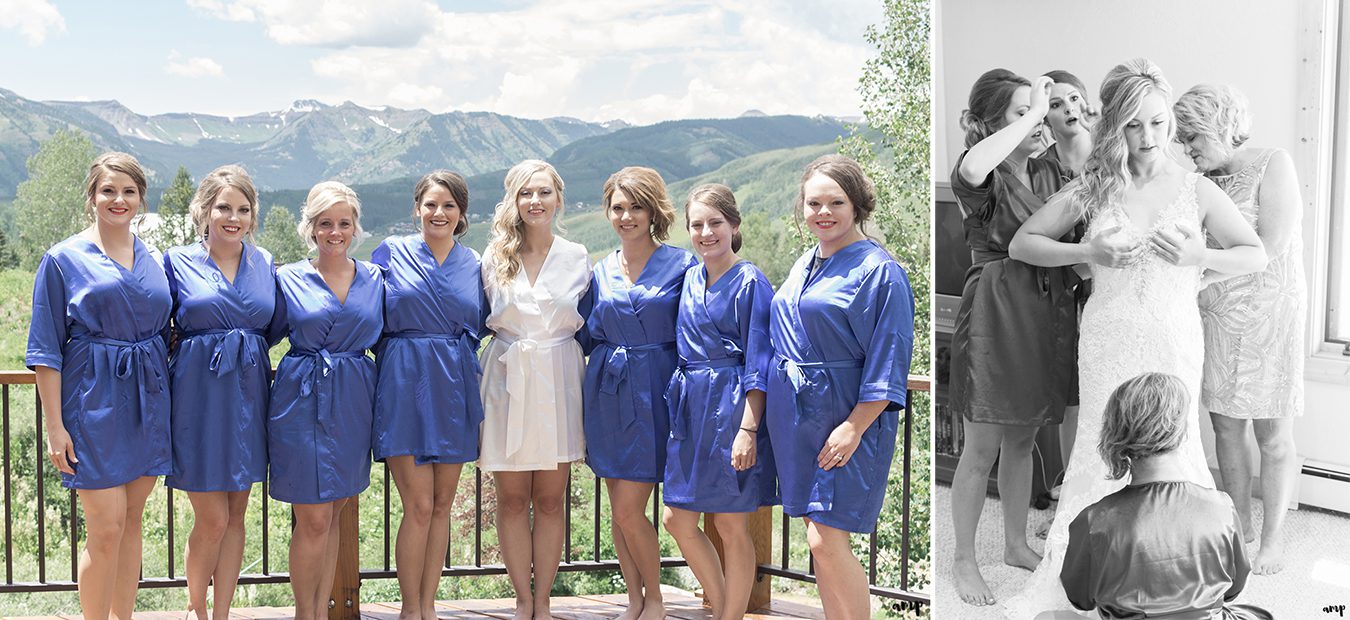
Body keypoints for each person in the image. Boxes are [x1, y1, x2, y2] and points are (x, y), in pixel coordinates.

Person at [1004, 58, 1267, 619]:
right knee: (1100, 445)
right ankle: (1096, 562)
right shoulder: (1094, 188)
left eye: (1158, 123)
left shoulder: (1195, 190)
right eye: (1134, 125)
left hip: (1174, 336)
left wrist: (1200, 260)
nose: (1149, 138)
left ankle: (1179, 560)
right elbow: (1022, 244)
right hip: (1108, 336)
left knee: (1176, 445)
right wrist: (1088, 252)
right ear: (1115, 126)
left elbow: (1256, 254)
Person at [946, 69, 1076, 607]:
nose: (1040, 116)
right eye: (1025, 110)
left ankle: (1016, 543)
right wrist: (1033, 112)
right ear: (997, 123)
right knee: (982, 447)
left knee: (1024, 437)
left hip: (1045, 306)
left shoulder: (1050, 169)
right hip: (995, 309)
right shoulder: (979, 174)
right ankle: (962, 561)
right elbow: (976, 162)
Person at [766, 154, 913, 620]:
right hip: (798, 419)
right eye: (814, 203)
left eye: (836, 202)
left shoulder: (880, 272)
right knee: (817, 537)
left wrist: (854, 427)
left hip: (847, 417)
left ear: (857, 206)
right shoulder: (805, 261)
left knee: (825, 538)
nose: (823, 212)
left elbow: (889, 357)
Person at [27, 152, 171, 620]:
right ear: (92, 197)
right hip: (91, 403)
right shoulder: (62, 259)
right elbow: (46, 350)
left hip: (148, 400)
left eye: (129, 191)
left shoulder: (153, 259)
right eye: (108, 190)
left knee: (130, 527)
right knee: (105, 529)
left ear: (140, 200)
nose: (118, 199)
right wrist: (55, 427)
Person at [1175, 84, 1306, 576]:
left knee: (1273, 432)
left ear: (1218, 127)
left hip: (1273, 314)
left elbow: (1269, 247)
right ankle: (1238, 528)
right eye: (1183, 141)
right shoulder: (1198, 182)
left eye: (1192, 138)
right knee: (1225, 428)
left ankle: (1271, 540)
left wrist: (1200, 270)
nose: (1187, 150)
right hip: (1215, 317)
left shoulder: (1275, 164)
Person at [1052, 372, 1272, 620]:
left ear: (1116, 434)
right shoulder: (1221, 507)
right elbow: (1233, 589)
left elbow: (1080, 599)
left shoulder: (1094, 520)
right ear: (1180, 432)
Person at [163, 165, 282, 620]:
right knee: (211, 518)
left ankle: (223, 612)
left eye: (243, 209)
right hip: (197, 394)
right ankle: (196, 608)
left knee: (237, 517)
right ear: (204, 211)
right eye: (224, 207)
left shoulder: (265, 262)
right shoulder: (176, 261)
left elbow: (272, 327)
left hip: (249, 393)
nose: (233, 217)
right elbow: (159, 323)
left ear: (252, 216)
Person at [580, 166, 698, 620]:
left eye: (636, 207)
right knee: (619, 509)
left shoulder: (682, 265)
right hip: (608, 392)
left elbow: (699, 326)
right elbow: (585, 333)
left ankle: (657, 600)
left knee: (630, 510)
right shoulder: (600, 269)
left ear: (654, 212)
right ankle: (635, 600)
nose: (626, 216)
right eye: (618, 207)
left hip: (658, 391)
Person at [371, 170, 486, 619]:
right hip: (403, 381)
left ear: (461, 214)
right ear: (416, 208)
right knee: (417, 504)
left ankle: (430, 606)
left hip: (454, 383)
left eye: (449, 206)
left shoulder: (474, 262)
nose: (439, 213)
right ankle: (408, 607)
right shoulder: (390, 253)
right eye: (431, 204)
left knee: (442, 505)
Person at [478, 160, 590, 620]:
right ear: (513, 200)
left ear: (558, 199)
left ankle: (544, 600)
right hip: (507, 378)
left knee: (549, 499)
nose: (535, 201)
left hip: (559, 376)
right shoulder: (494, 256)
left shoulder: (578, 255)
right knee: (511, 498)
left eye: (544, 192)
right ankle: (521, 599)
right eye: (526, 193)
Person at [269, 181, 383, 620]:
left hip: (354, 398)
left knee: (334, 510)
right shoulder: (288, 278)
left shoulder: (375, 278)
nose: (335, 232)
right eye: (325, 223)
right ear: (311, 228)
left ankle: (322, 611)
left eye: (343, 223)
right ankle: (305, 614)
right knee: (313, 518)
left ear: (355, 228)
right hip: (301, 400)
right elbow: (261, 329)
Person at [661, 184, 776, 620]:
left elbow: (759, 363)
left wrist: (748, 429)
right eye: (697, 224)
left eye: (715, 223)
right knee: (678, 519)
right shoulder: (691, 276)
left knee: (730, 523)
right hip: (690, 409)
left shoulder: (751, 283)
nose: (706, 232)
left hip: (731, 409)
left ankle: (730, 615)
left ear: (734, 226)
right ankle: (724, 604)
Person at [1040, 70, 1097, 177]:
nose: (1069, 108)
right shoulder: (1038, 171)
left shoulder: (1115, 155)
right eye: (1056, 105)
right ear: (1045, 119)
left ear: (1086, 103)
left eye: (1074, 98)